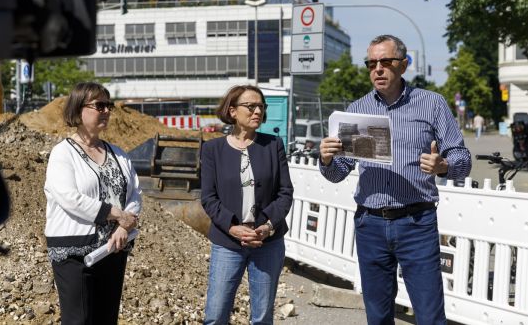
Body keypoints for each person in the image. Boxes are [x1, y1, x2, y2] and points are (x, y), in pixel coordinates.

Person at [319, 35, 471, 324]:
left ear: (403, 65)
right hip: (370, 225)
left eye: (385, 62)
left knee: (429, 316)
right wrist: (327, 159)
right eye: (371, 63)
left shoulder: (432, 104)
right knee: (377, 316)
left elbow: (463, 160)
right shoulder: (355, 110)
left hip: (417, 224)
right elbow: (339, 172)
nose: (378, 69)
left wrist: (443, 165)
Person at [44, 82, 141, 324]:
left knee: (105, 319)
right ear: (78, 111)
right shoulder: (63, 153)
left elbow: (135, 193)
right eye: (99, 105)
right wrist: (115, 214)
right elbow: (69, 197)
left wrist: (123, 226)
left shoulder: (119, 154)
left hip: (113, 248)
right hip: (74, 253)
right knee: (78, 319)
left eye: (109, 105)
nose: (107, 111)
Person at [201, 85, 293, 325]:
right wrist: (232, 227)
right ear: (232, 111)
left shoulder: (273, 145)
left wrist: (268, 226)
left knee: (262, 317)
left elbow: (285, 192)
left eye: (261, 106)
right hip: (227, 242)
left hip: (267, 242)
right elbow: (209, 197)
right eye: (251, 106)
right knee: (216, 314)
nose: (257, 111)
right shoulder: (213, 149)